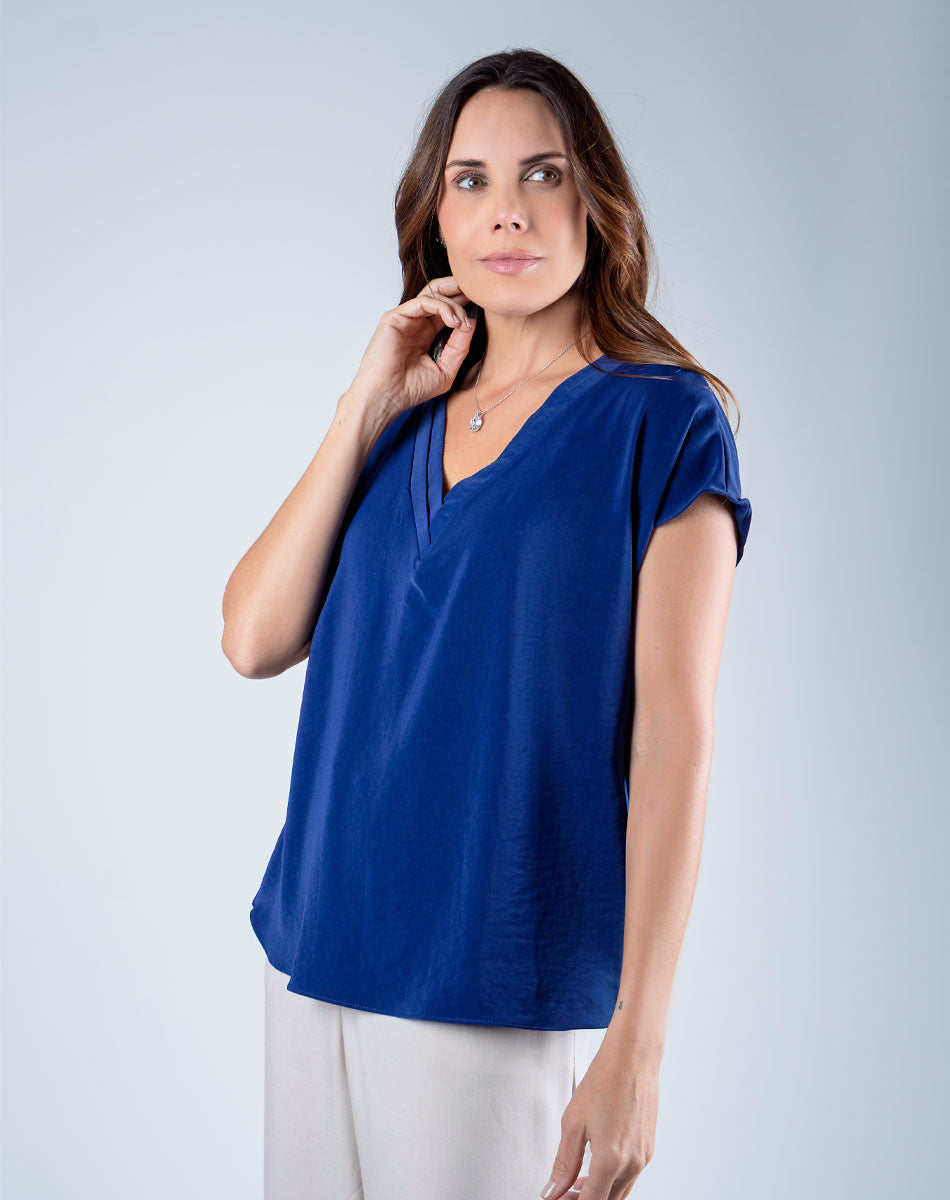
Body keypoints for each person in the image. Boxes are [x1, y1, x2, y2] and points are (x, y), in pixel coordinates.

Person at [222, 48, 752, 1200]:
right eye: (470, 180)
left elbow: (674, 739)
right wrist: (363, 402)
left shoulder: (663, 421)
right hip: (314, 945)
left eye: (540, 174)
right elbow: (252, 637)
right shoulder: (402, 413)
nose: (505, 210)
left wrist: (637, 1047)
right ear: (436, 214)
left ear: (593, 201)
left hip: (492, 972)